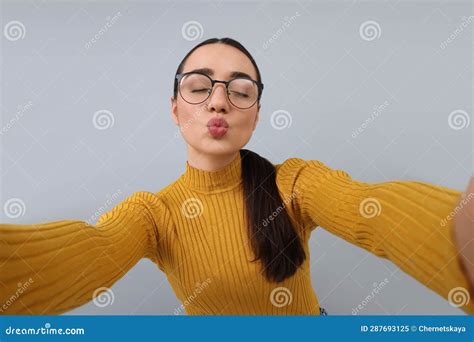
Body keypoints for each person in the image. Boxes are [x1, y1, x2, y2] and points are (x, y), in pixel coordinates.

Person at [1, 37, 473, 315]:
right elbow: (92, 253)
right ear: (174, 109)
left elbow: (369, 210)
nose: (219, 100)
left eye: (240, 90)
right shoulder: (154, 213)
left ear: (256, 113)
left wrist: (459, 232)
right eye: (199, 87)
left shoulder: (294, 183)